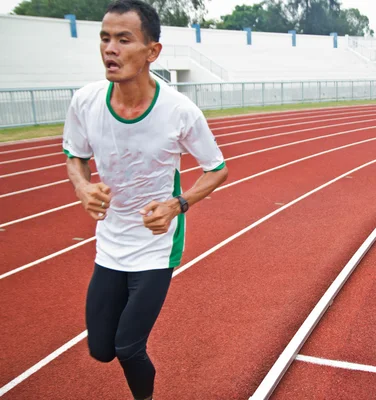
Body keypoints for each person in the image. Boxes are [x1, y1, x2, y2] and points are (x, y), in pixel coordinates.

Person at [62, 1, 228, 398]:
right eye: (105, 38)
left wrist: (177, 204)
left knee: (128, 346)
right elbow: (76, 156)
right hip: (111, 241)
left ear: (152, 51)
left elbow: (217, 168)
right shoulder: (85, 101)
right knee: (101, 349)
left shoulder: (179, 111)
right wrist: (83, 187)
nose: (110, 49)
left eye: (124, 39)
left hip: (156, 244)